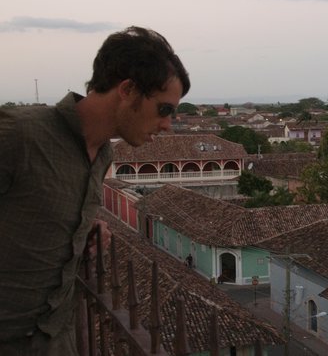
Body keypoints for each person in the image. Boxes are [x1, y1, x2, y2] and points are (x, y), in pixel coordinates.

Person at [0, 26, 190, 355]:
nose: (167, 125)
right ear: (128, 90)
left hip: (55, 337)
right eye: (164, 109)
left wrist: (82, 228)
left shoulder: (103, 155)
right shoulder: (20, 134)